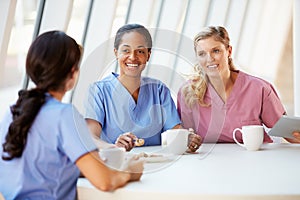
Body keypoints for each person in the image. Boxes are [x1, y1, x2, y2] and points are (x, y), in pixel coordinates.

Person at [0, 31, 144, 199]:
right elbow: (105, 182)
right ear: (73, 73)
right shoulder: (65, 115)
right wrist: (129, 172)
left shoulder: (13, 113)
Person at [85, 23, 201, 152]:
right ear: (116, 53)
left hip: (157, 162)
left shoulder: (159, 90)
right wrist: (114, 148)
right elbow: (91, 137)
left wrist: (187, 138)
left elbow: (174, 131)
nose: (133, 57)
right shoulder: (99, 91)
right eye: (126, 50)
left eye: (140, 51)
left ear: (148, 55)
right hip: (117, 165)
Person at [177, 26, 300, 144]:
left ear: (229, 51)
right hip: (210, 162)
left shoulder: (259, 89)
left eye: (216, 51)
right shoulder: (188, 93)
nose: (209, 59)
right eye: (202, 54)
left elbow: (288, 132)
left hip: (256, 160)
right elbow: (184, 136)